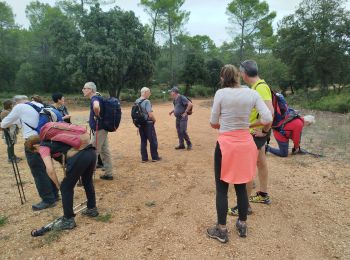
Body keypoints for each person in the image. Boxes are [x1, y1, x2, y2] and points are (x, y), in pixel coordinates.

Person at [207, 64, 272, 243]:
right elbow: (268, 118)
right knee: (242, 186)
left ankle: (221, 229)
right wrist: (249, 126)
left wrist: (226, 126)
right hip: (246, 144)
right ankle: (242, 225)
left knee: (222, 189)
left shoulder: (221, 94)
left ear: (222, 78)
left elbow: (213, 122)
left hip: (226, 145)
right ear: (238, 76)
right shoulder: (252, 93)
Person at [24, 126, 99, 230]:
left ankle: (68, 220)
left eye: (34, 150)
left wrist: (59, 186)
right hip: (91, 152)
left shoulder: (43, 147)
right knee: (87, 181)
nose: (37, 153)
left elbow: (50, 170)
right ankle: (92, 209)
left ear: (35, 145)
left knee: (66, 188)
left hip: (80, 157)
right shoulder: (54, 141)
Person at [1, 95, 58, 210]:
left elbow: (4, 124)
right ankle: (55, 195)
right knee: (47, 167)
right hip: (46, 140)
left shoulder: (19, 107)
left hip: (32, 142)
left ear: (15, 103)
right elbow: (19, 122)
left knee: (38, 171)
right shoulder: (38, 105)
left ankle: (48, 199)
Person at [82, 82, 114, 180]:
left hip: (99, 129)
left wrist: (96, 115)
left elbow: (96, 106)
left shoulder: (94, 98)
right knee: (105, 151)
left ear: (91, 90)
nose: (83, 90)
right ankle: (109, 173)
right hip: (102, 129)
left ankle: (88, 177)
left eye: (84, 88)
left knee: (93, 151)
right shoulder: (99, 97)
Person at [135, 87, 161, 162]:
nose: (150, 94)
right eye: (149, 92)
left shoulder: (137, 101)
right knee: (152, 140)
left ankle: (144, 158)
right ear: (145, 93)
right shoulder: (147, 101)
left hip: (140, 124)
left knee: (143, 141)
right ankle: (155, 157)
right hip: (148, 123)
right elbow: (150, 114)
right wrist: (154, 120)